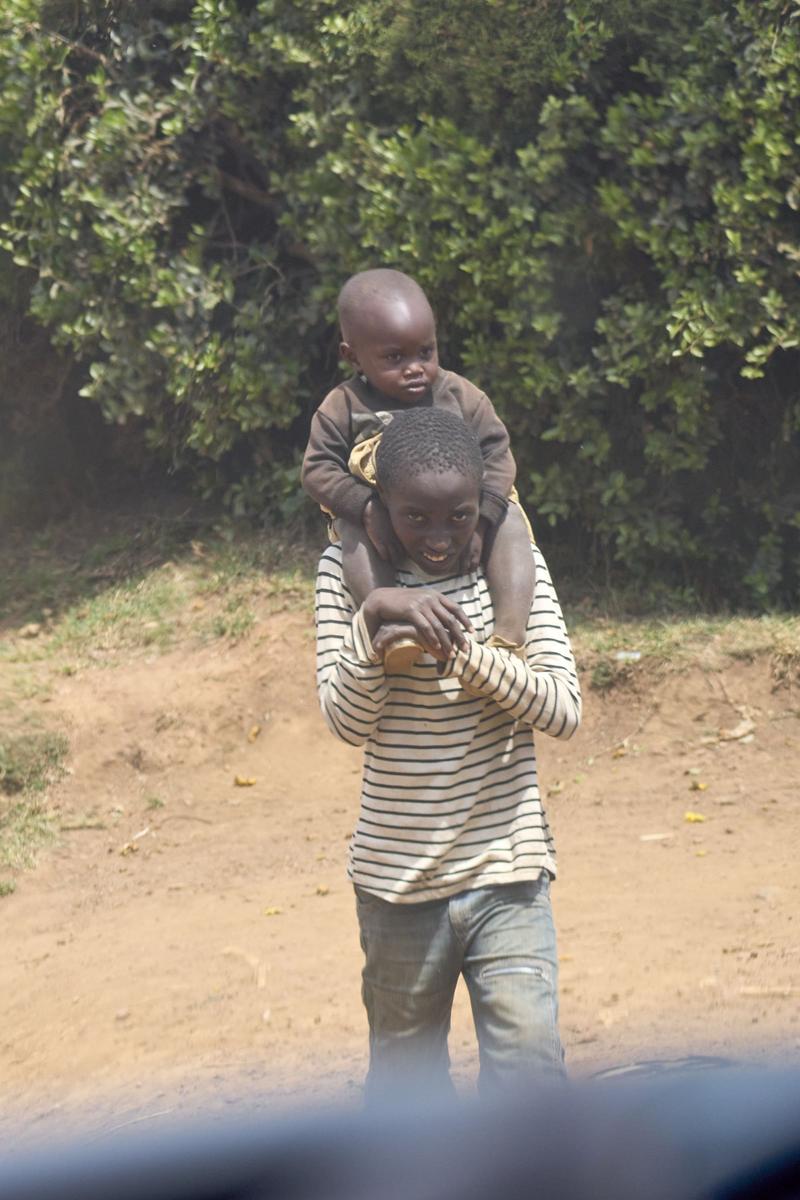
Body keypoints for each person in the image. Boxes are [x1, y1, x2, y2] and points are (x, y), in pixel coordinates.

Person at [314, 406, 581, 1100]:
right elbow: (345, 721)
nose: (439, 538)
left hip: (509, 870)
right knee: (408, 1100)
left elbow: (561, 709)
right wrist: (377, 620)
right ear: (379, 511)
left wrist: (468, 655)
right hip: (397, 885)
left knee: (531, 1084)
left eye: (459, 517)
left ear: (483, 505)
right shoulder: (348, 574)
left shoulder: (513, 567)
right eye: (415, 518)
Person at [302, 268, 534, 671]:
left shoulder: (461, 397)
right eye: (395, 357)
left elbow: (498, 453)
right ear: (352, 356)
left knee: (512, 518)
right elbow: (317, 469)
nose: (415, 368)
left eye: (425, 352)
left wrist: (482, 521)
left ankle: (509, 640)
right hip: (380, 518)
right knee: (350, 534)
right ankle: (396, 626)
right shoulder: (343, 407)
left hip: (464, 515)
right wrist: (366, 508)